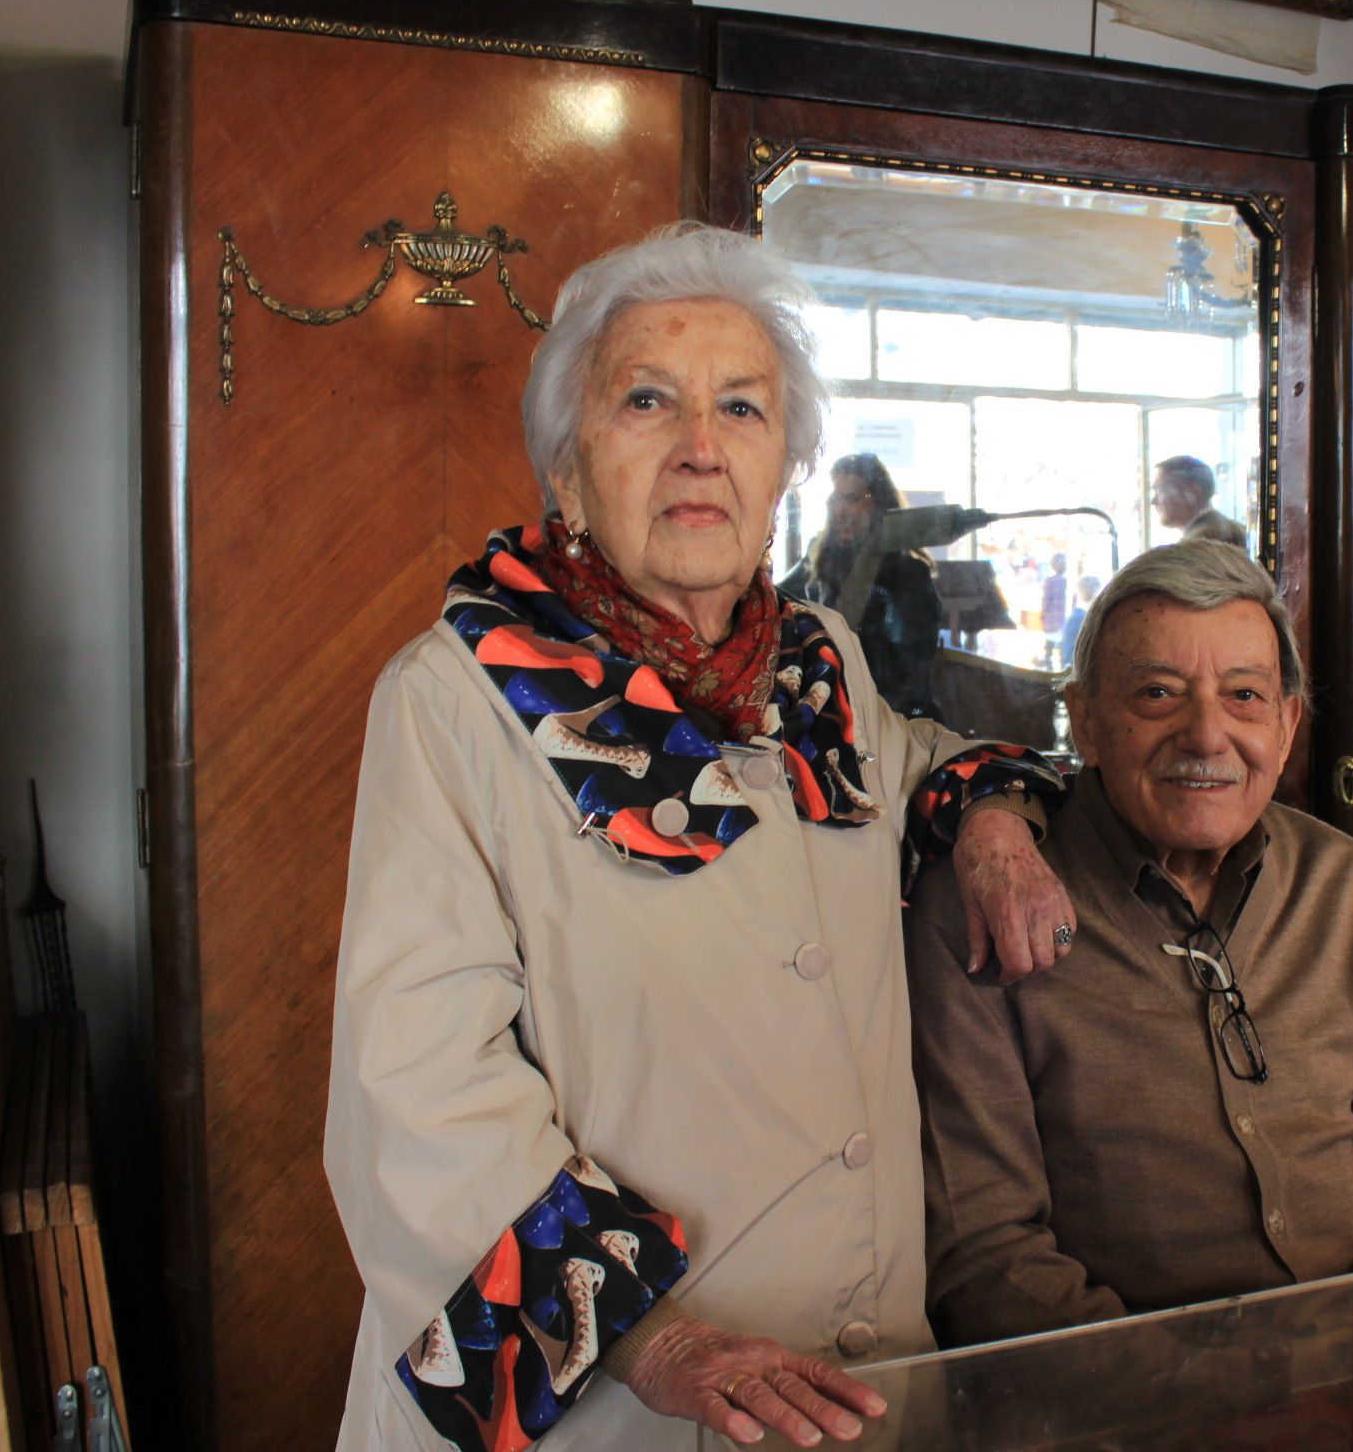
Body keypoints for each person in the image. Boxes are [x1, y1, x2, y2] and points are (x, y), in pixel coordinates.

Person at [325, 224, 1082, 1452]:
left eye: (742, 407)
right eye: (646, 400)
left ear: (783, 463)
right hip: (620, 1406)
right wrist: (657, 1340)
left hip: (859, 1382)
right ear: (567, 468)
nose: (700, 447)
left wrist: (994, 818)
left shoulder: (815, 661)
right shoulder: (456, 697)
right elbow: (416, 1090)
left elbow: (929, 767)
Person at [905, 541, 1353, 1347]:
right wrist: (1208, 1404)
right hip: (1117, 1418)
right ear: (1087, 721)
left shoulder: (1343, 886)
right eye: (1157, 694)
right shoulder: (987, 906)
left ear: (1285, 727)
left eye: (1244, 695)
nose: (1206, 735)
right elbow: (986, 1254)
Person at [780, 452, 945, 719]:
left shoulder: (907, 575)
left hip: (890, 719)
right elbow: (778, 602)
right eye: (835, 499)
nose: (840, 509)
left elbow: (910, 677)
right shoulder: (819, 561)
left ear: (879, 506)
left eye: (852, 499)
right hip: (829, 707)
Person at [1152, 454, 1248, 548]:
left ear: (1193, 490)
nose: (1153, 501)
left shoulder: (1198, 545)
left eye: (1161, 489)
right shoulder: (1234, 530)